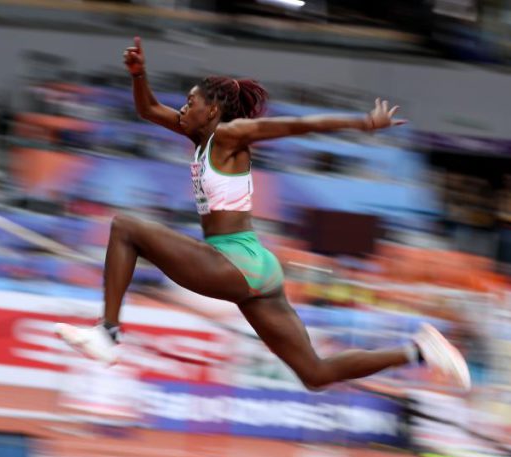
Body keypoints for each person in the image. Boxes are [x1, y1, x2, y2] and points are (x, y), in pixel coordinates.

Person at [57, 37, 470, 391]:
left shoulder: (230, 134)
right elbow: (147, 110)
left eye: (190, 102)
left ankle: (108, 333)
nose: (182, 108)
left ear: (213, 110)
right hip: (257, 267)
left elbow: (294, 126)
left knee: (125, 226)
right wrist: (137, 74)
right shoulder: (197, 134)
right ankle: (418, 350)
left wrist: (362, 122)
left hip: (234, 261)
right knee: (315, 373)